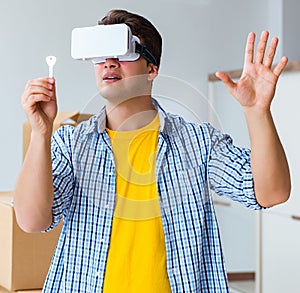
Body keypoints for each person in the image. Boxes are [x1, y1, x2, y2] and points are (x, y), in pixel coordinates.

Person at [14, 9, 291, 293]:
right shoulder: (70, 144)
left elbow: (271, 193)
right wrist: (41, 132)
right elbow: (32, 221)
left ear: (151, 68)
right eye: (101, 54)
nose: (109, 62)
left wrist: (258, 112)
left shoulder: (197, 143)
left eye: (123, 51)